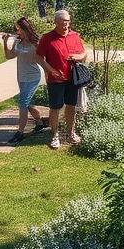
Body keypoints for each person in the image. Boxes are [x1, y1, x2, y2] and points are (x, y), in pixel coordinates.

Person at [36, 9, 88, 150]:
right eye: (63, 22)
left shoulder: (74, 36)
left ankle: (71, 133)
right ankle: (54, 135)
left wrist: (78, 57)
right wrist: (50, 70)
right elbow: (39, 57)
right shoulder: (47, 38)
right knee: (55, 108)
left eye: (68, 21)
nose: (66, 24)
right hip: (56, 79)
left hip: (72, 78)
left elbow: (84, 52)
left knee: (71, 106)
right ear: (56, 22)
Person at [0, 17, 50, 146]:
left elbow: (43, 59)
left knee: (23, 103)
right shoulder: (18, 43)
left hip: (33, 77)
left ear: (24, 28)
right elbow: (9, 56)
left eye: (18, 28)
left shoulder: (35, 43)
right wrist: (5, 42)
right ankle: (39, 122)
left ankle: (20, 133)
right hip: (21, 77)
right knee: (27, 103)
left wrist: (49, 73)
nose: (16, 31)